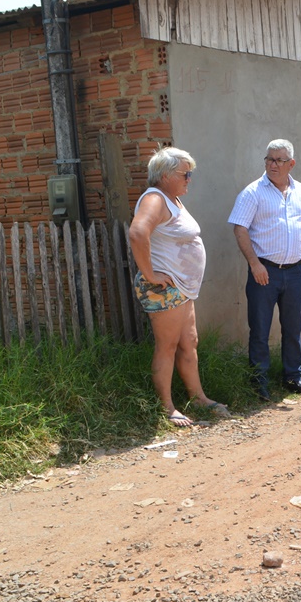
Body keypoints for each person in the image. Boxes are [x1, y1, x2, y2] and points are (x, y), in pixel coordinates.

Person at [129, 146, 229, 427]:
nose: (189, 179)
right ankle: (167, 408)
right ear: (165, 174)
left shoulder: (171, 199)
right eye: (185, 173)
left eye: (190, 174)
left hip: (182, 289)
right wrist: (150, 274)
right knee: (168, 346)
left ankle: (198, 398)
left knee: (190, 342)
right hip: (166, 290)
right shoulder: (155, 199)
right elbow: (138, 233)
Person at [229, 139, 301, 401]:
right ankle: (259, 382)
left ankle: (293, 377)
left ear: (291, 164)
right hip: (265, 272)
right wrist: (254, 264)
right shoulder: (253, 193)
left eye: (279, 160)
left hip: (295, 272)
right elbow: (240, 228)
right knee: (260, 329)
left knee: (293, 327)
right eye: (269, 159)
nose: (272, 165)